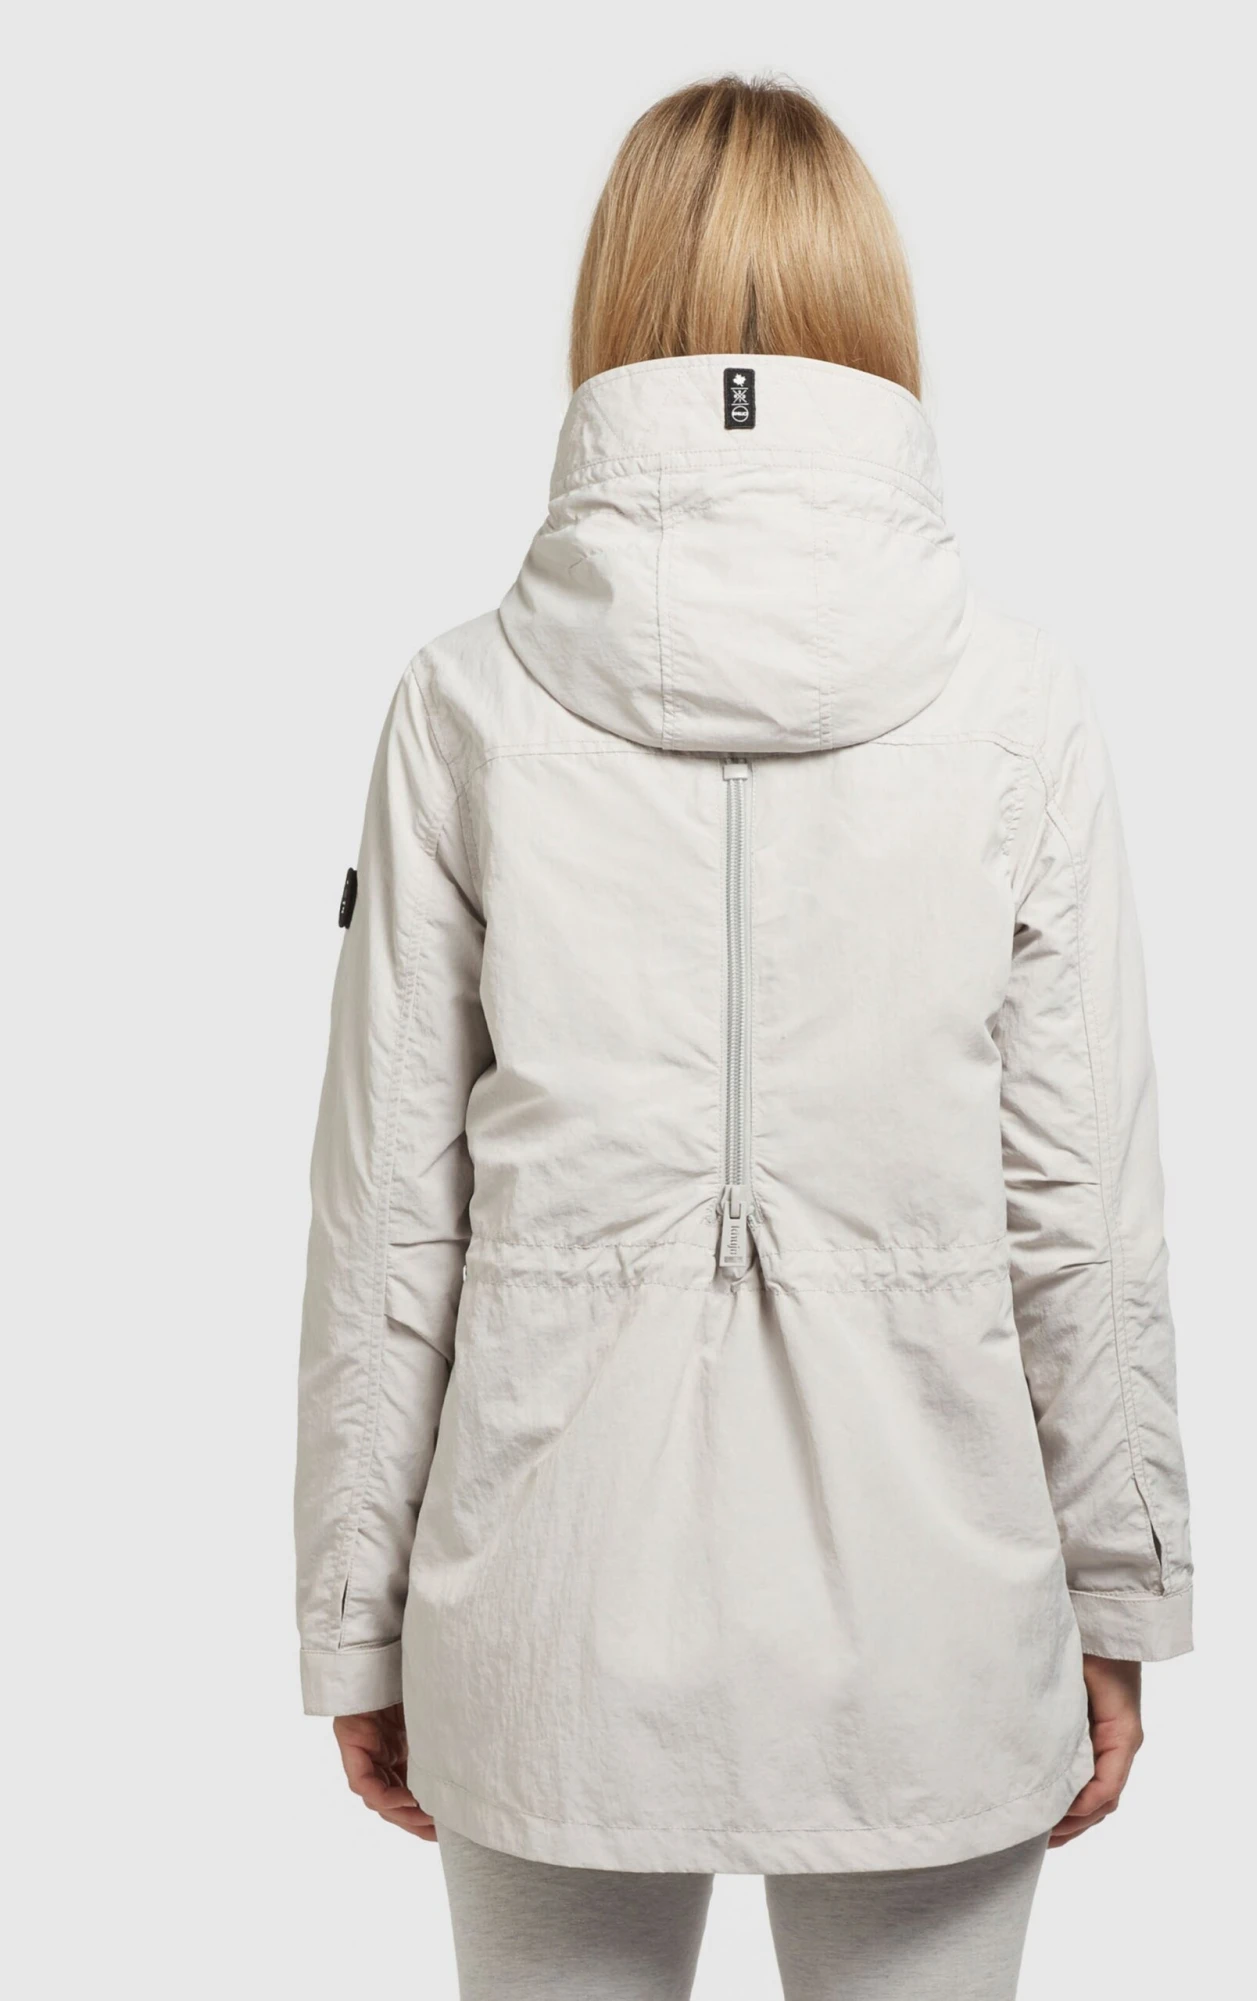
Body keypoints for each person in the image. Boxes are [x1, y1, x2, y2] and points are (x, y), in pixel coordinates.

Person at [295, 74, 1192, 2000]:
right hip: (938, 1615)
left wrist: (358, 1617)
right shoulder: (1022, 708)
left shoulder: (461, 705)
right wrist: (1116, 1590)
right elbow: (1080, 1210)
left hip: (541, 1616)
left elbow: (388, 1220)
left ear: (610, 307)